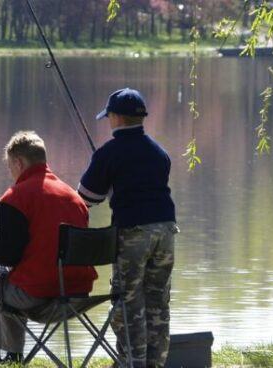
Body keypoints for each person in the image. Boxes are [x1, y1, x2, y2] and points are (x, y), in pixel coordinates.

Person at [0, 131, 96, 364]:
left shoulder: (15, 198)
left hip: (36, 297)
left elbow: (3, 255)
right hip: (77, 295)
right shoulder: (75, 198)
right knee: (6, 278)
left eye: (10, 166)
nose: (10, 172)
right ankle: (12, 357)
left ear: (19, 162)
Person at [78, 88, 178, 368]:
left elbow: (86, 199)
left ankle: (131, 363)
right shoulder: (160, 153)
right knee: (157, 301)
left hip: (134, 232)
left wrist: (107, 182)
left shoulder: (109, 153)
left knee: (127, 303)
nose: (108, 120)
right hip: (167, 231)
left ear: (116, 118)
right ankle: (154, 363)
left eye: (109, 116)